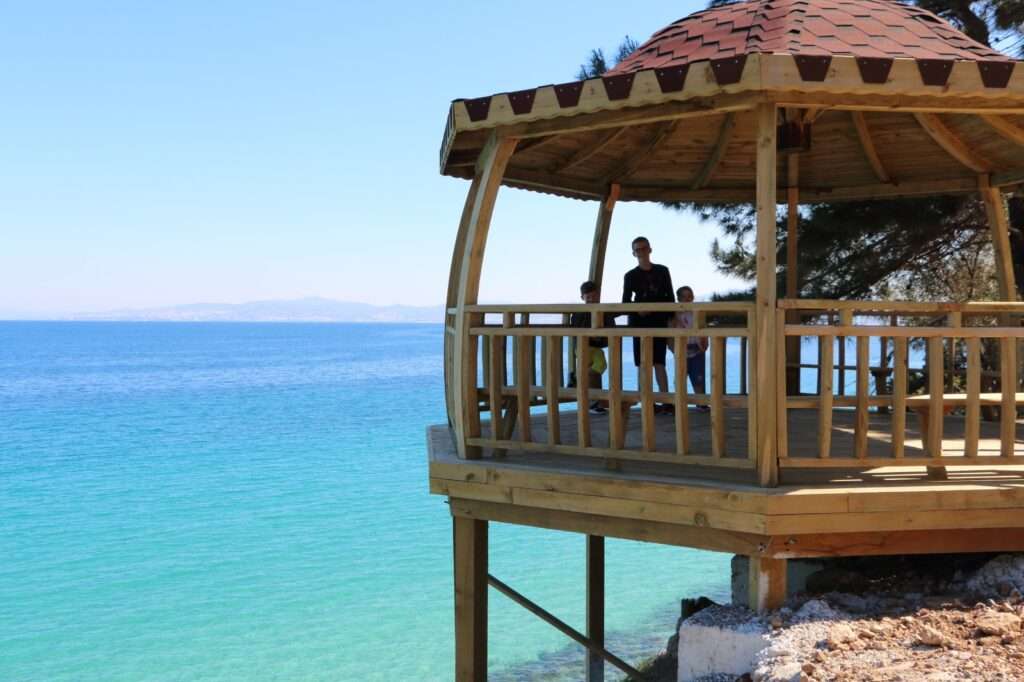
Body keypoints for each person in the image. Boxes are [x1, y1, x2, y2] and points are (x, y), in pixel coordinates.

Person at [622, 236, 674, 413]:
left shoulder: (663, 271)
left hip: (659, 322)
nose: (641, 252)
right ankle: (647, 402)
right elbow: (625, 302)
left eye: (644, 248)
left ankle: (666, 401)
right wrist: (638, 311)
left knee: (660, 362)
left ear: (650, 249)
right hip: (639, 324)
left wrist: (671, 319)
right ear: (633, 253)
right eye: (638, 249)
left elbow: (670, 297)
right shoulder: (630, 276)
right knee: (643, 364)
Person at [569, 280, 613, 414]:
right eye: (588, 297)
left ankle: (577, 377)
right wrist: (590, 336)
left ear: (598, 296)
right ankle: (594, 403)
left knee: (600, 366)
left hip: (596, 348)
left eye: (594, 296)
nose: (592, 300)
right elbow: (576, 330)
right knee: (592, 370)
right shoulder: (579, 313)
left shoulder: (603, 311)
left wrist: (599, 337)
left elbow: (610, 329)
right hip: (583, 347)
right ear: (582, 298)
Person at [671, 285, 710, 411]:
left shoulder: (697, 312)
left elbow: (703, 327)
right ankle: (679, 402)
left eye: (690, 296)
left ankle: (701, 402)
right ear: (679, 298)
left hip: (697, 347)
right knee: (680, 376)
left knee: (698, 376)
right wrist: (673, 348)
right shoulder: (675, 314)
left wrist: (705, 342)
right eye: (684, 297)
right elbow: (671, 331)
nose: (687, 299)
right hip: (681, 348)